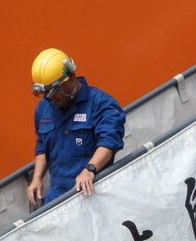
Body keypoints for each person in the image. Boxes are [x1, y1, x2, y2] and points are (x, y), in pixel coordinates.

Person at [27, 47, 126, 207]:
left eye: (54, 92)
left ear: (71, 78)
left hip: (92, 193)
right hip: (57, 199)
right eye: (45, 94)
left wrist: (90, 169)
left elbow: (109, 143)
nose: (50, 99)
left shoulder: (101, 103)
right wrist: (37, 178)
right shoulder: (43, 109)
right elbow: (42, 148)